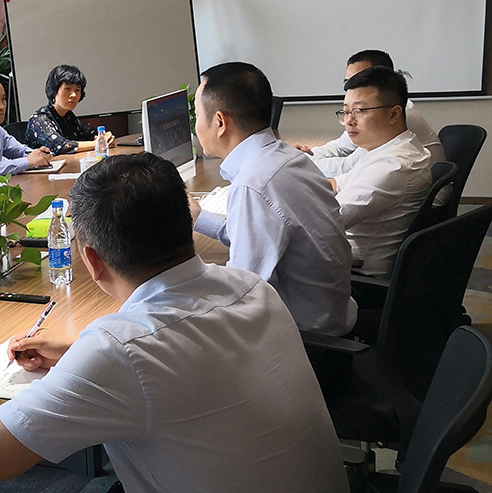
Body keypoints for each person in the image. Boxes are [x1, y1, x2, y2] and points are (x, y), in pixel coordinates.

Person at [0, 152, 357, 493]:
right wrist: (78, 356)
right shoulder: (251, 287)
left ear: (92, 261)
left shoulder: (119, 351)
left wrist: (85, 367)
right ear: (186, 222)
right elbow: (185, 361)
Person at [188, 62, 356, 336]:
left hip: (307, 338)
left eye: (196, 116)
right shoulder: (288, 158)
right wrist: (199, 219)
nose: (195, 127)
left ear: (219, 122)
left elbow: (245, 296)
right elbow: (267, 237)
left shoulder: (253, 184)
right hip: (332, 313)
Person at [312, 66, 431, 278]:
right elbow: (336, 184)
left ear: (394, 113)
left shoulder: (394, 166)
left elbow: (324, 222)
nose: (349, 121)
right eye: (345, 112)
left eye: (359, 111)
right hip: (340, 253)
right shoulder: (379, 148)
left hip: (356, 275)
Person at [298, 49, 444, 171]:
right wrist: (308, 155)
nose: (351, 88)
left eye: (360, 80)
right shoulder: (369, 113)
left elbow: (349, 166)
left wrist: (301, 162)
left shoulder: (391, 114)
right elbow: (341, 146)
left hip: (427, 194)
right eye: (348, 83)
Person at [25, 64, 115, 155]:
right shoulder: (40, 118)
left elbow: (92, 133)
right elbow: (62, 146)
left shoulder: (69, 116)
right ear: (54, 91)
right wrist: (97, 143)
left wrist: (106, 138)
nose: (73, 95)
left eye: (77, 90)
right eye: (67, 88)